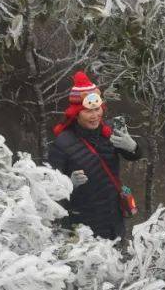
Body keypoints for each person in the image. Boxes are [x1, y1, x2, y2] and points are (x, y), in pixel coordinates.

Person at [48, 71, 141, 240]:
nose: (95, 115)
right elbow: (51, 189)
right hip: (83, 222)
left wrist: (133, 147)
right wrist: (69, 184)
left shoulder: (110, 132)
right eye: (87, 111)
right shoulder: (62, 143)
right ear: (76, 114)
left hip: (114, 215)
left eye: (97, 109)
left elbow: (134, 156)